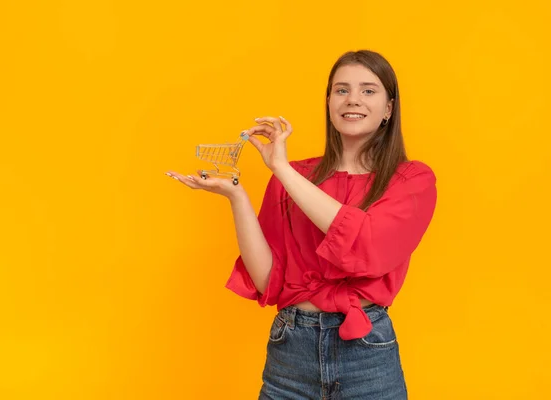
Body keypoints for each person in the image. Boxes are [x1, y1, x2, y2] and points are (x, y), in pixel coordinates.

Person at [166, 49, 437, 400]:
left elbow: (367, 247)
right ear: (328, 102)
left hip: (367, 352)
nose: (352, 99)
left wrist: (281, 169)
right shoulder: (295, 176)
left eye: (368, 90)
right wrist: (236, 197)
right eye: (341, 90)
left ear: (388, 108)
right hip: (290, 351)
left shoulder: (411, 179)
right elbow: (268, 280)